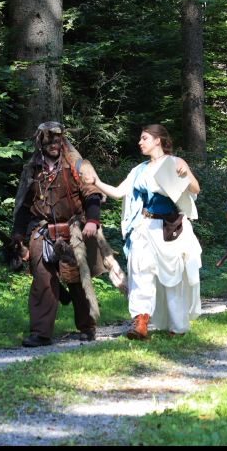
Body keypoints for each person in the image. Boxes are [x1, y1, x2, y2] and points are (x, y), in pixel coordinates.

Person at [87, 125, 203, 339]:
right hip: (143, 228)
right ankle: (140, 323)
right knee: (140, 274)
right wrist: (96, 182)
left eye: (144, 138)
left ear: (158, 140)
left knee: (173, 278)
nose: (140, 142)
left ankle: (176, 328)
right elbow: (118, 192)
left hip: (171, 228)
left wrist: (186, 175)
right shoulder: (139, 169)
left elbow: (195, 189)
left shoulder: (175, 162)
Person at [11, 122, 108, 347]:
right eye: (48, 141)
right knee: (43, 281)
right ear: (40, 142)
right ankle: (41, 333)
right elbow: (24, 206)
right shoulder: (33, 169)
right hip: (43, 232)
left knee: (76, 279)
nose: (53, 144)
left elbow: (92, 194)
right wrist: (17, 237)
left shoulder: (77, 165)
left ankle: (87, 326)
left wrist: (92, 221)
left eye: (56, 140)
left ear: (62, 141)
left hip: (74, 230)